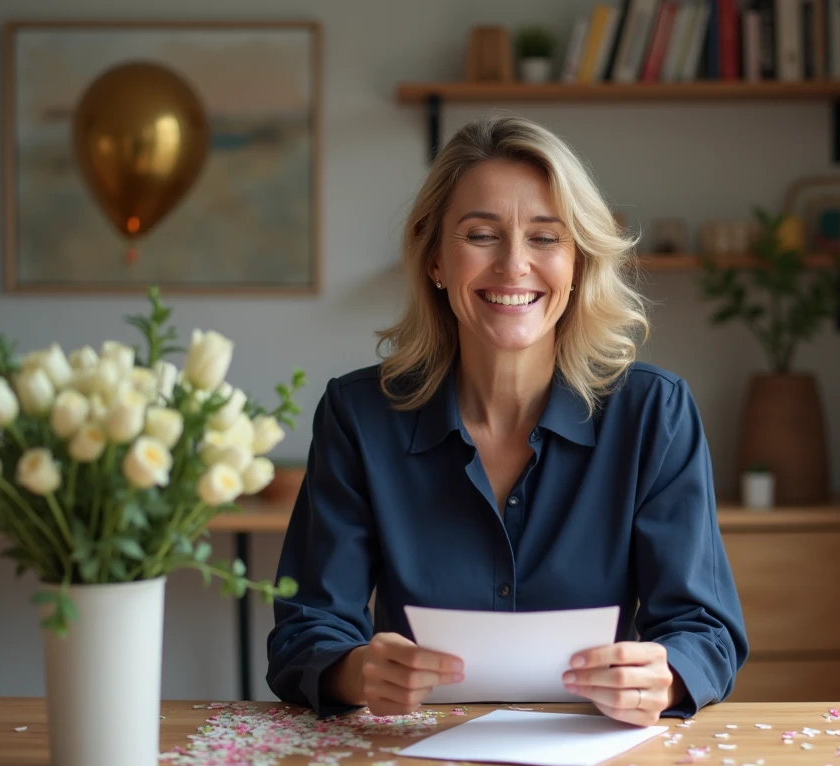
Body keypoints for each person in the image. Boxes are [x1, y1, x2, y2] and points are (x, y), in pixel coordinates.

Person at [267, 114, 748, 726]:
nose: (514, 265)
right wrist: (358, 669)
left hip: (598, 765)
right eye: (480, 235)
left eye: (546, 238)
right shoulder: (359, 416)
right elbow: (305, 629)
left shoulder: (655, 414)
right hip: (410, 762)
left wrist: (668, 675)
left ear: (577, 264)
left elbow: (704, 630)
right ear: (435, 258)